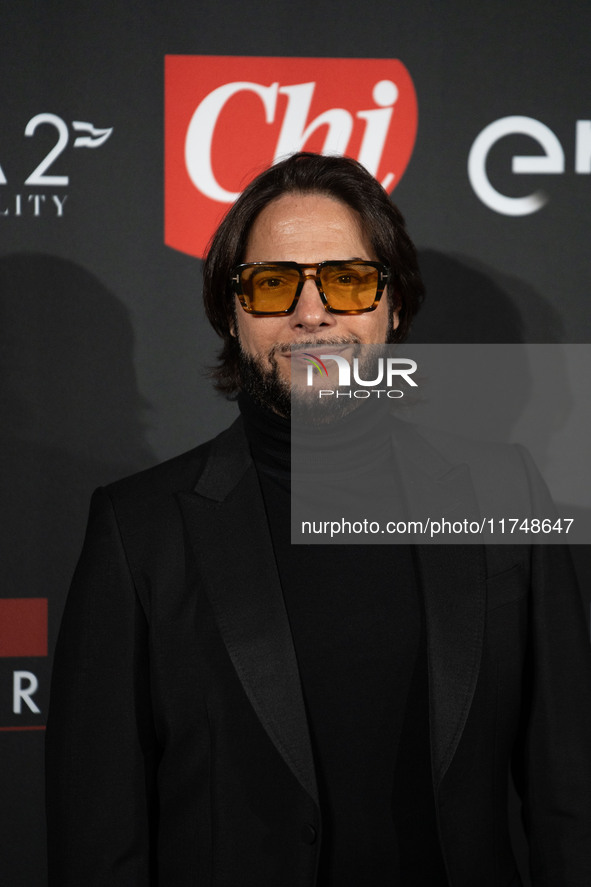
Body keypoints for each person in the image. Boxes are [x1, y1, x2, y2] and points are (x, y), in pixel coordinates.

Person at [46, 152, 591, 887]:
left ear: (391, 305)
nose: (312, 311)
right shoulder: (138, 531)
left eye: (347, 279)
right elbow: (97, 839)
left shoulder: (506, 493)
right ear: (231, 314)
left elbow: (570, 794)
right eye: (273, 284)